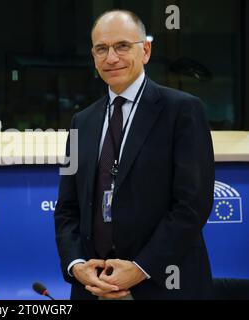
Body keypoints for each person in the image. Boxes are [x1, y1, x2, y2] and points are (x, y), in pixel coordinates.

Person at [54, 9, 215, 300]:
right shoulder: (82, 121)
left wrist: (140, 268)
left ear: (146, 51)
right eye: (101, 49)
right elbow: (67, 209)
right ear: (93, 56)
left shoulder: (182, 110)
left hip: (163, 285)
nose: (111, 58)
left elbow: (192, 205)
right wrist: (77, 265)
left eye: (122, 46)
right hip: (93, 288)